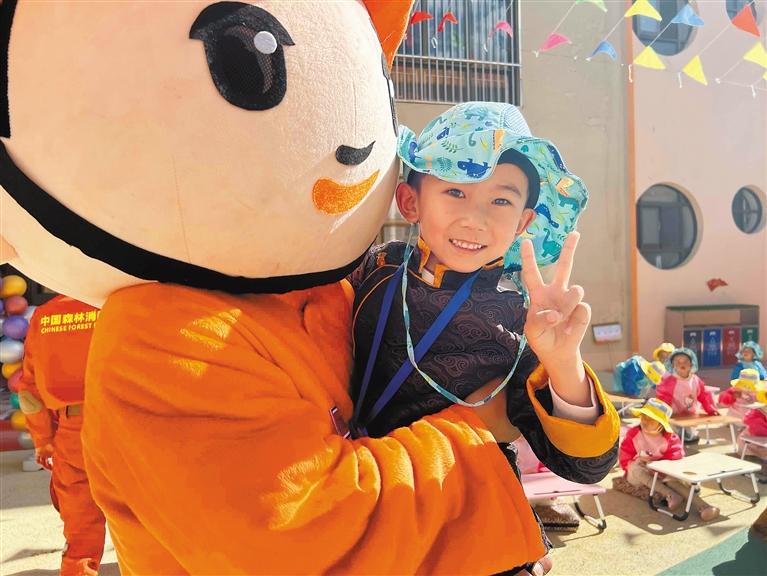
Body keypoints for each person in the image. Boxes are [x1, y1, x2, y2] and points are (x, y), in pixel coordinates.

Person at [349, 102, 619, 569]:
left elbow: (585, 465)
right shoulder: (373, 268)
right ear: (410, 202)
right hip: (360, 500)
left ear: (523, 223)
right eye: (455, 190)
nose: (475, 219)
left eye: (500, 200)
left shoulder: (523, 320)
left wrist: (562, 364)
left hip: (471, 528)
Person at [16, 296, 106, 576]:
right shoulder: (115, 303)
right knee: (146, 521)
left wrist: (43, 441)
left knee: (80, 526)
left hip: (73, 431)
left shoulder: (44, 316)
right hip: (127, 423)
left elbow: (29, 393)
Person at [619, 398, 720, 521]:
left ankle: (704, 506)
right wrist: (636, 461)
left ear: (661, 424)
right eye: (643, 416)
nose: (645, 421)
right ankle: (670, 494)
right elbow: (625, 453)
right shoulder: (634, 434)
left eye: (651, 419)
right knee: (635, 469)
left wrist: (658, 466)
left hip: (662, 470)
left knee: (672, 480)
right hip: (641, 473)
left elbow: (676, 457)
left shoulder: (669, 438)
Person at [656, 347, 718, 443]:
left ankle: (688, 435)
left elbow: (704, 395)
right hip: (673, 414)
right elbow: (663, 398)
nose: (682, 364)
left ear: (691, 364)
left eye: (685, 361)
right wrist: (664, 414)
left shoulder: (695, 380)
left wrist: (711, 409)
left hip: (690, 414)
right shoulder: (669, 382)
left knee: (690, 436)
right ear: (672, 365)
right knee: (673, 434)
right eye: (678, 362)